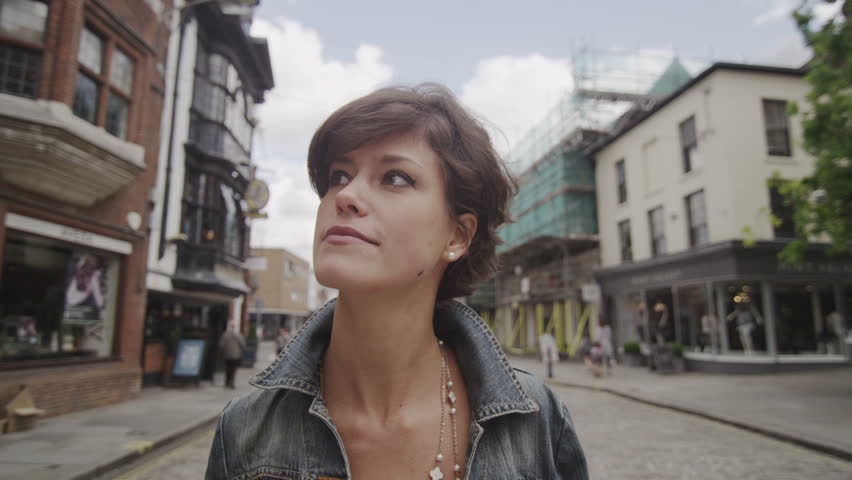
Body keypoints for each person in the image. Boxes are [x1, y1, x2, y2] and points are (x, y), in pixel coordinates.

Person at [205, 84, 589, 479]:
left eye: (396, 178)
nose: (347, 195)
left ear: (456, 236)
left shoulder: (537, 424)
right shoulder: (245, 431)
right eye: (339, 175)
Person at [218, 322, 245, 389]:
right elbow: (242, 344)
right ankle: (232, 382)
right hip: (235, 355)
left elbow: (221, 345)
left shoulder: (225, 334)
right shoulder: (238, 335)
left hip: (227, 355)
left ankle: (227, 382)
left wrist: (222, 352)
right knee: (233, 369)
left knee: (227, 368)